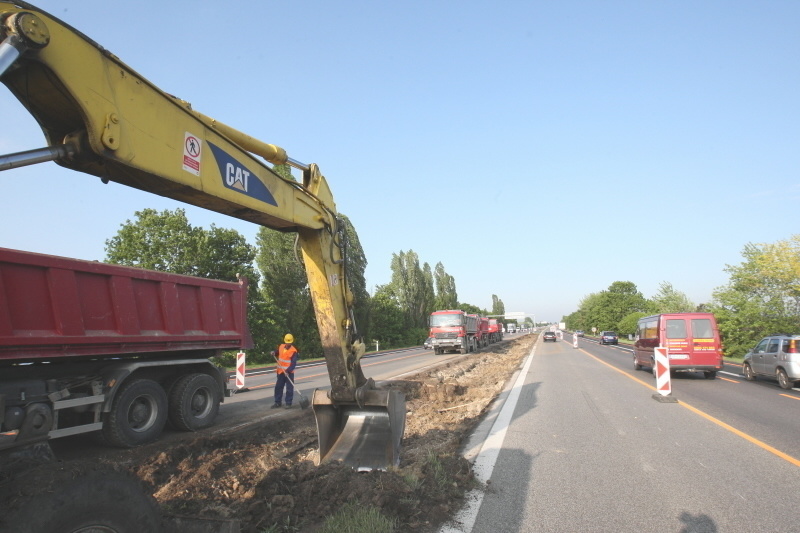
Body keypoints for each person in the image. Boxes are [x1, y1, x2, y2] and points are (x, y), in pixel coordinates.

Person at [271, 333, 299, 409]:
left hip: (288, 373)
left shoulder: (294, 351)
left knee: (289, 388)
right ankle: (277, 402)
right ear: (285, 341)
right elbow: (277, 352)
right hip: (280, 372)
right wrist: (274, 352)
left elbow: (293, 363)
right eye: (287, 342)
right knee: (278, 387)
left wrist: (288, 370)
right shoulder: (281, 346)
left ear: (292, 342)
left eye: (289, 342)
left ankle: (288, 403)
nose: (288, 344)